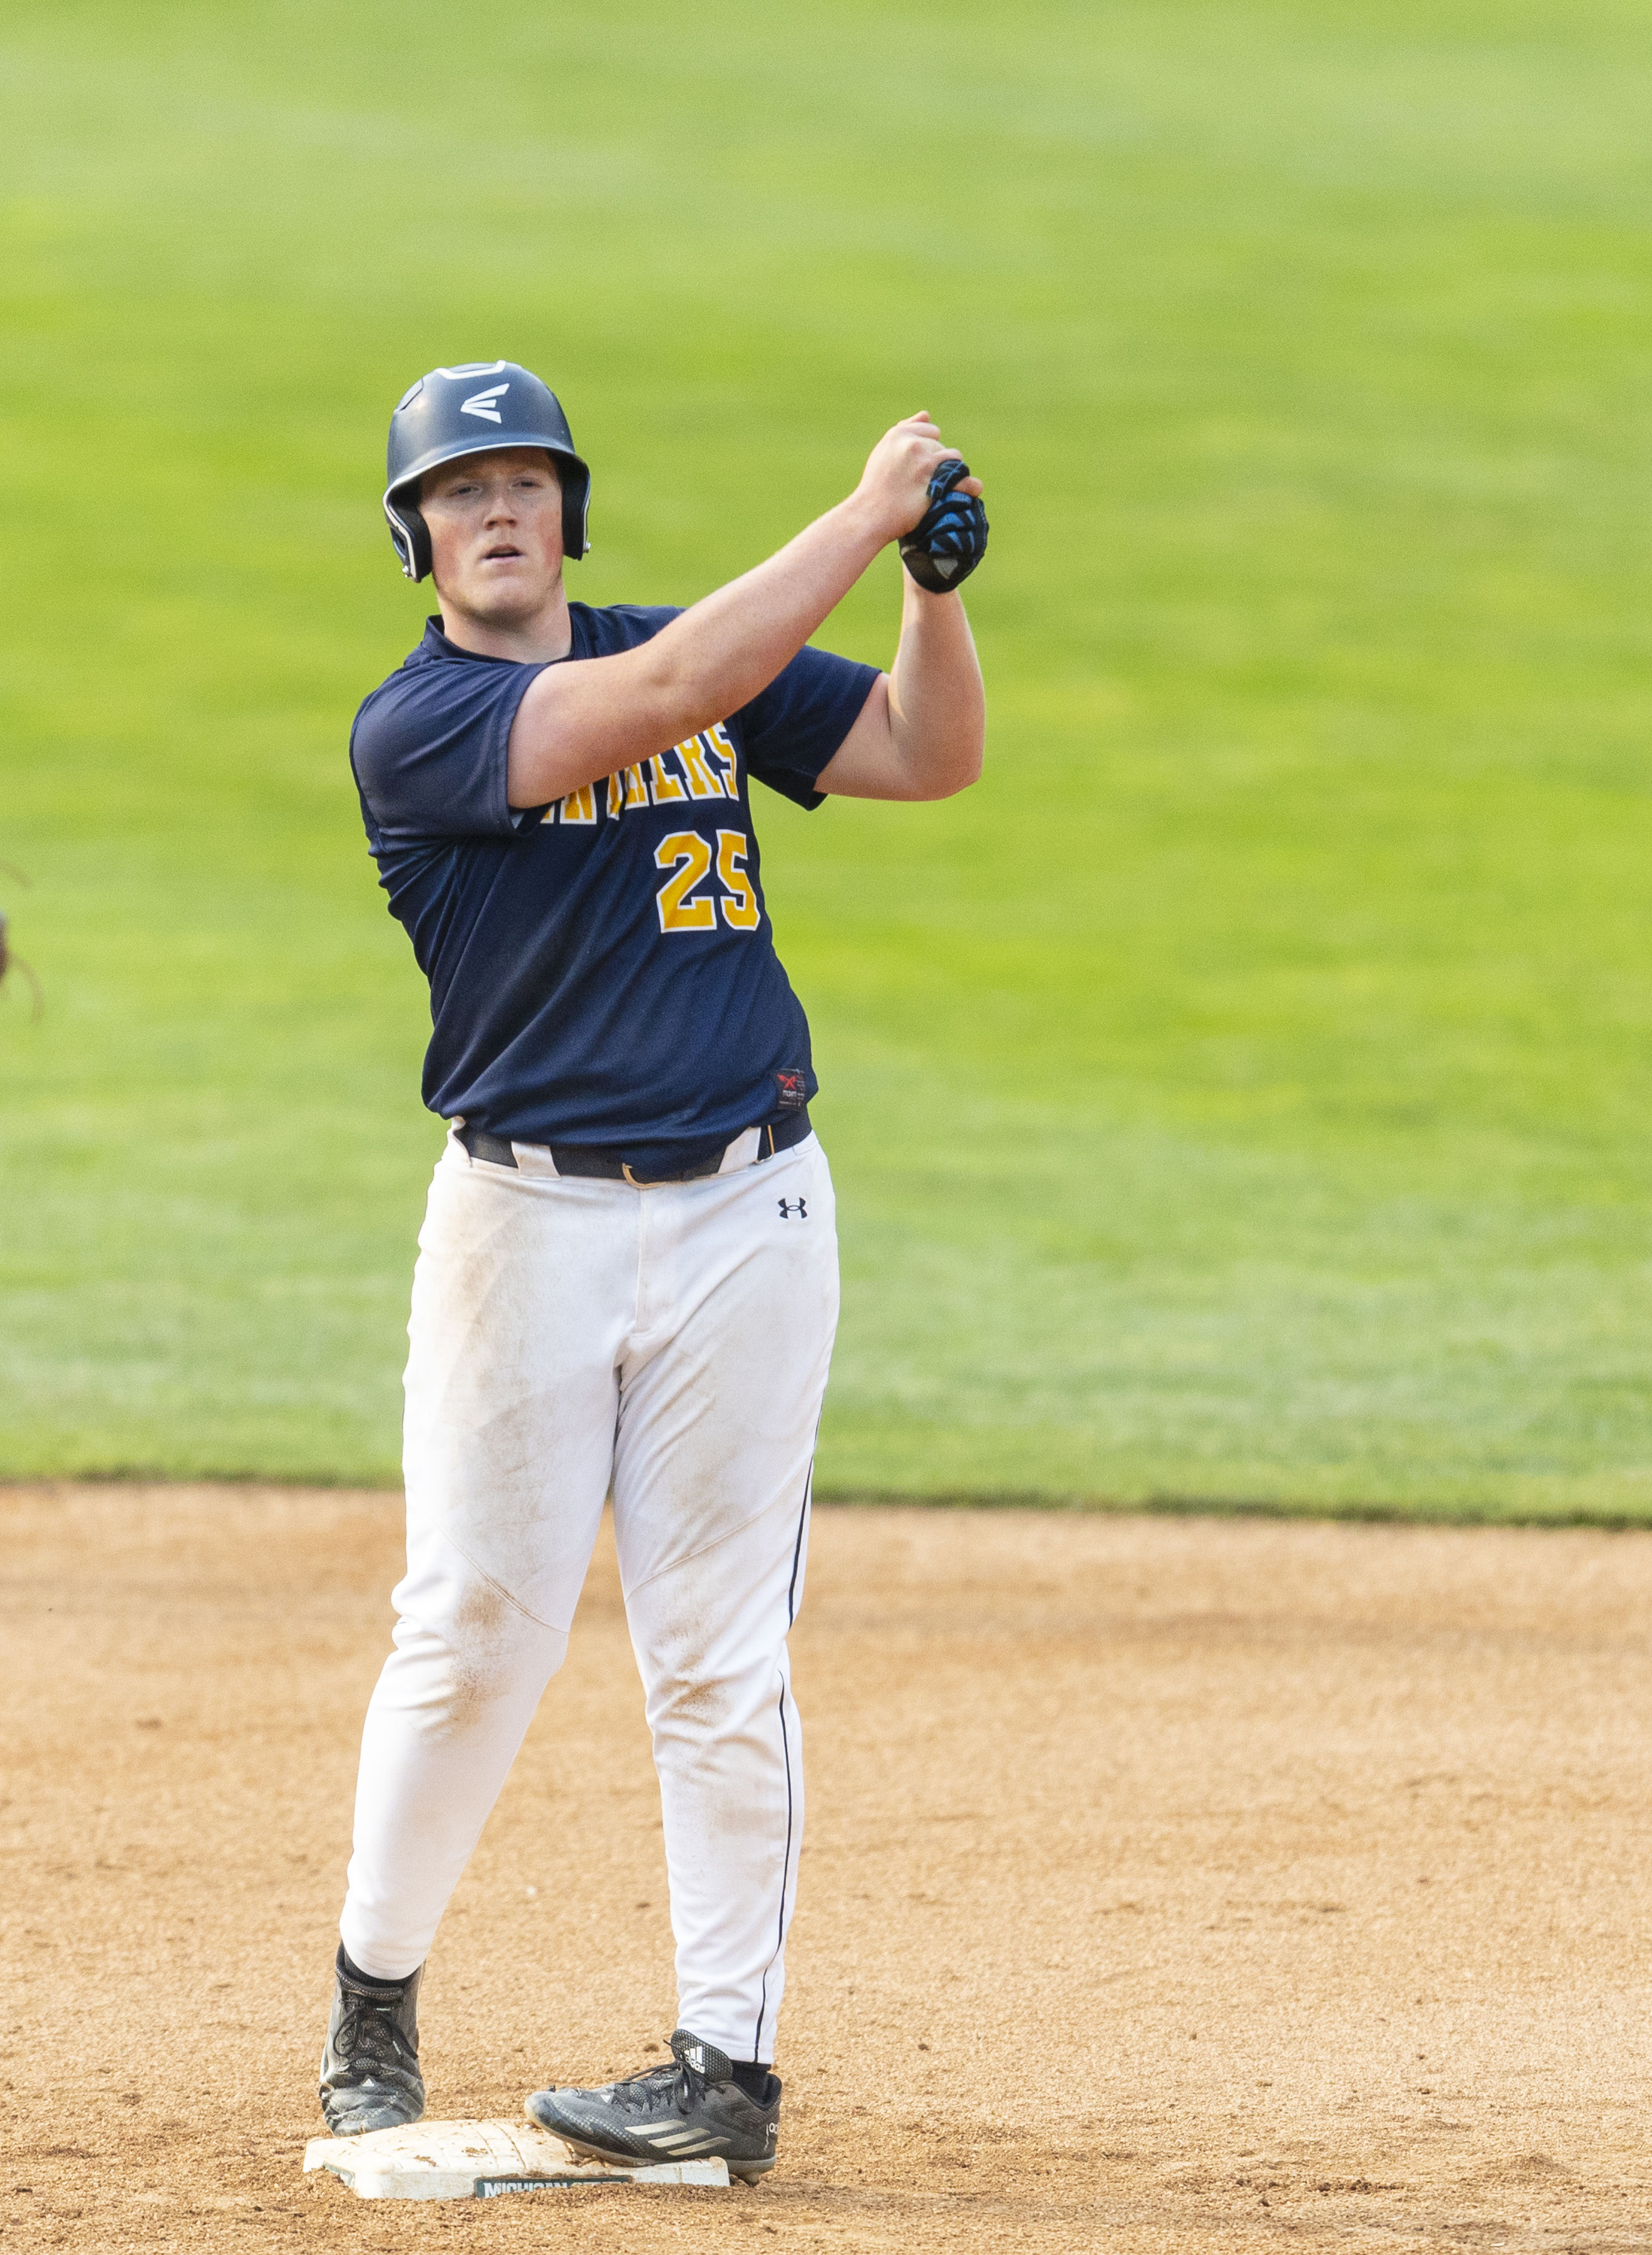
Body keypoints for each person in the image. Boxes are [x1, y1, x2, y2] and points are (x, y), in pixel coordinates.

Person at [314, 362, 988, 2180]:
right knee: (471, 1630)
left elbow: (930, 758)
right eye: (463, 492)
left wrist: (931, 591)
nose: (501, 509)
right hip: (521, 1228)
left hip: (748, 1214)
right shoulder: (424, 725)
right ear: (419, 540)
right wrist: (862, 514)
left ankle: (726, 2073)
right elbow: (680, 689)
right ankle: (374, 1998)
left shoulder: (680, 641)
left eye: (526, 479)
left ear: (569, 507)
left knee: (717, 1655)